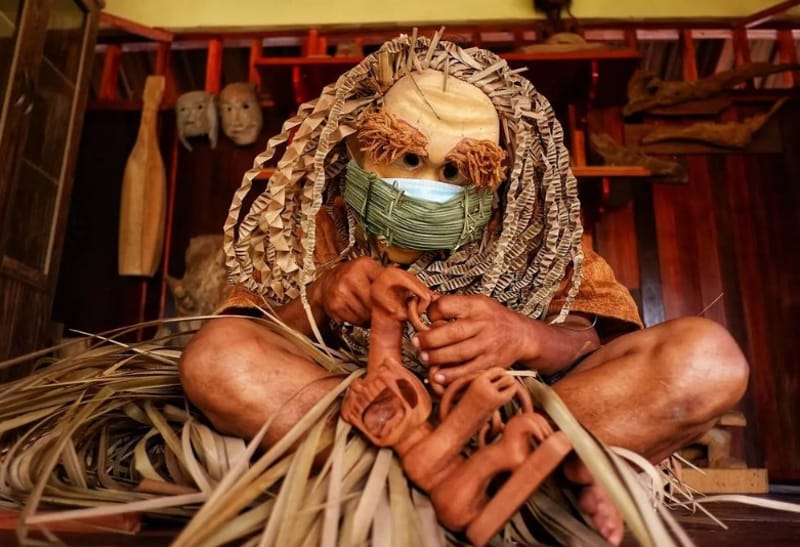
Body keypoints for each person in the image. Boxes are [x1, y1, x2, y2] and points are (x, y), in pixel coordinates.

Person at [179, 34, 748, 544]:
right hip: (367, 425)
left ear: (498, 178)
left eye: (456, 171)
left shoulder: (536, 239)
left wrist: (524, 335)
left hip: (513, 416)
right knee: (214, 359)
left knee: (708, 359)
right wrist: (320, 298)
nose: (425, 187)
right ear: (358, 149)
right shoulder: (310, 230)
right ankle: (498, 475)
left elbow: (596, 335)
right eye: (405, 156)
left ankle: (499, 459)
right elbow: (241, 331)